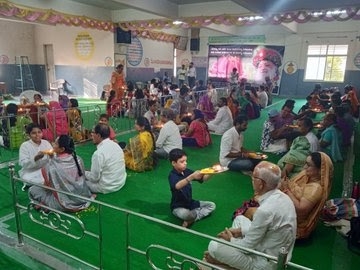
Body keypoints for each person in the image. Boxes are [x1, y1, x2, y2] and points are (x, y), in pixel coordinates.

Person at [204, 161, 296, 269]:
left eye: (253, 178)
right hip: (274, 249)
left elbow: (246, 248)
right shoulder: (285, 198)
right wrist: (241, 231)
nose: (251, 180)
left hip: (267, 262)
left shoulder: (265, 211)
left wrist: (231, 239)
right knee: (240, 219)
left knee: (214, 245)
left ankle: (229, 264)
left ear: (261, 184)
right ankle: (231, 257)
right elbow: (268, 230)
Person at [28, 135, 94, 212]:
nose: (53, 144)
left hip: (64, 204)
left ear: (62, 149)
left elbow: (46, 188)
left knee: (33, 190)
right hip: (82, 198)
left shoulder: (50, 166)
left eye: (55, 143)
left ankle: (46, 205)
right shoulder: (78, 159)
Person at [279, 152, 333, 239]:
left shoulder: (315, 188)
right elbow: (291, 184)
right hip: (286, 212)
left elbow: (301, 210)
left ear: (320, 170)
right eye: (305, 164)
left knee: (255, 214)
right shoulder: (306, 175)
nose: (304, 167)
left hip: (295, 225)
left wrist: (286, 190)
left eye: (308, 165)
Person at [168, 148, 215, 228]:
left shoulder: (186, 171)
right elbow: (177, 186)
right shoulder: (172, 175)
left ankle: (192, 218)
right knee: (186, 214)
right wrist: (191, 177)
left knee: (212, 205)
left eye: (186, 161)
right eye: (182, 162)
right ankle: (192, 216)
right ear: (173, 163)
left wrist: (212, 172)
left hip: (190, 203)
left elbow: (203, 178)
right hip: (178, 207)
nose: (185, 163)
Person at [85, 123, 126, 194]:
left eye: (93, 132)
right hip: (121, 181)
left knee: (78, 182)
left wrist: (83, 172)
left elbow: (94, 178)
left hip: (107, 187)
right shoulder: (116, 145)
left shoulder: (98, 154)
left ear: (98, 135)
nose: (91, 135)